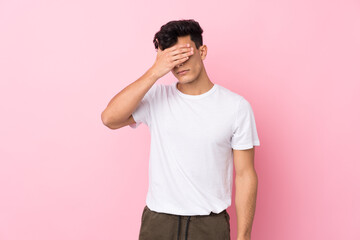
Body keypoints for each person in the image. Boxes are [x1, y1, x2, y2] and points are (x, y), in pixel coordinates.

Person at [101, 19, 260, 240]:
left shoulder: (236, 107)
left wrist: (244, 237)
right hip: (159, 222)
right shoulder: (157, 97)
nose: (179, 65)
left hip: (209, 225)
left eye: (184, 56)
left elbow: (245, 175)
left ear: (202, 51)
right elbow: (109, 118)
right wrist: (155, 71)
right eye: (171, 60)